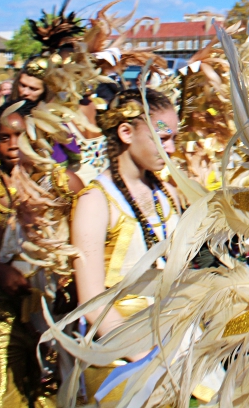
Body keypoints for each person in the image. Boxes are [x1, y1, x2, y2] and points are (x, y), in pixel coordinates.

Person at [0, 99, 84, 408]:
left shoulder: (66, 185)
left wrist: (73, 287)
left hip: (54, 306)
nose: (13, 145)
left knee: (56, 392)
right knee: (1, 395)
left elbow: (86, 248)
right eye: (4, 137)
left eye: (21, 136)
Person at [69, 89, 182, 399]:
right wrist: (143, 354)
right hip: (118, 356)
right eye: (162, 138)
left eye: (174, 138)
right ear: (126, 132)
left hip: (170, 347)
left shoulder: (167, 193)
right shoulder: (95, 201)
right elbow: (91, 299)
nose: (170, 148)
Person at [0, 69, 47, 169]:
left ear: (45, 91)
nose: (25, 92)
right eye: (23, 85)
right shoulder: (6, 105)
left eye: (33, 89)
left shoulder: (51, 110)